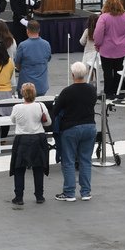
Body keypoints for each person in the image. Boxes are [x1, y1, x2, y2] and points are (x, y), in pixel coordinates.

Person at [51, 62, 98, 202]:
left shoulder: (67, 91)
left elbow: (56, 110)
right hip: (90, 126)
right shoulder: (92, 90)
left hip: (71, 128)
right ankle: (85, 192)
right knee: (85, 160)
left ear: (73, 75)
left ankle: (69, 192)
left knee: (69, 160)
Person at [8, 83, 51, 205]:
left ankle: (19, 196)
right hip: (38, 137)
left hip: (22, 138)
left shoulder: (17, 107)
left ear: (22, 93)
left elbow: (12, 120)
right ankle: (39, 196)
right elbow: (48, 122)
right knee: (38, 168)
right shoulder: (41, 105)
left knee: (19, 169)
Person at [94, 0, 125, 99]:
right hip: (121, 49)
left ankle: (108, 92)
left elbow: (98, 34)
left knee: (107, 71)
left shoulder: (103, 17)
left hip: (106, 49)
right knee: (119, 70)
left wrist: (97, 44)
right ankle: (119, 89)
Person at [16, 20, 52, 96]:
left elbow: (17, 64)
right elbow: (48, 59)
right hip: (41, 86)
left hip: (26, 86)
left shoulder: (22, 45)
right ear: (39, 30)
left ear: (27, 30)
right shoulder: (46, 44)